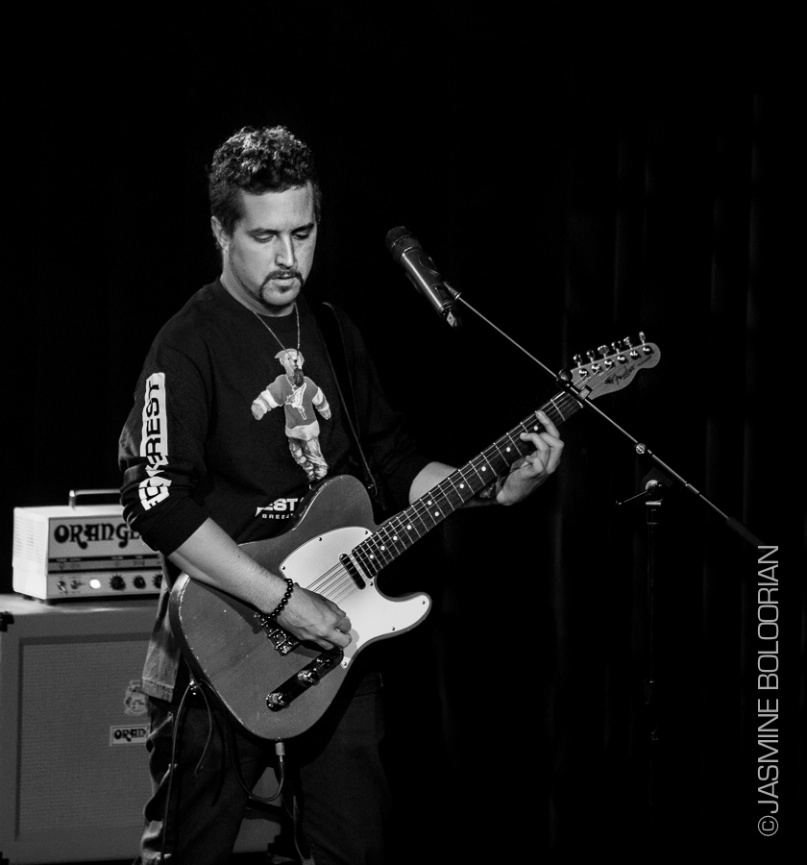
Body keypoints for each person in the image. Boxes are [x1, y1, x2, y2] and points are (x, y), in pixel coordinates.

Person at [118, 124, 564, 865]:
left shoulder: (331, 330)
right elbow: (157, 500)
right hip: (223, 640)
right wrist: (281, 600)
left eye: (302, 233)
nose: (288, 258)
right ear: (221, 232)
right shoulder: (186, 344)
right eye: (265, 236)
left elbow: (392, 463)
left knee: (352, 847)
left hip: (337, 636)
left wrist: (492, 489)